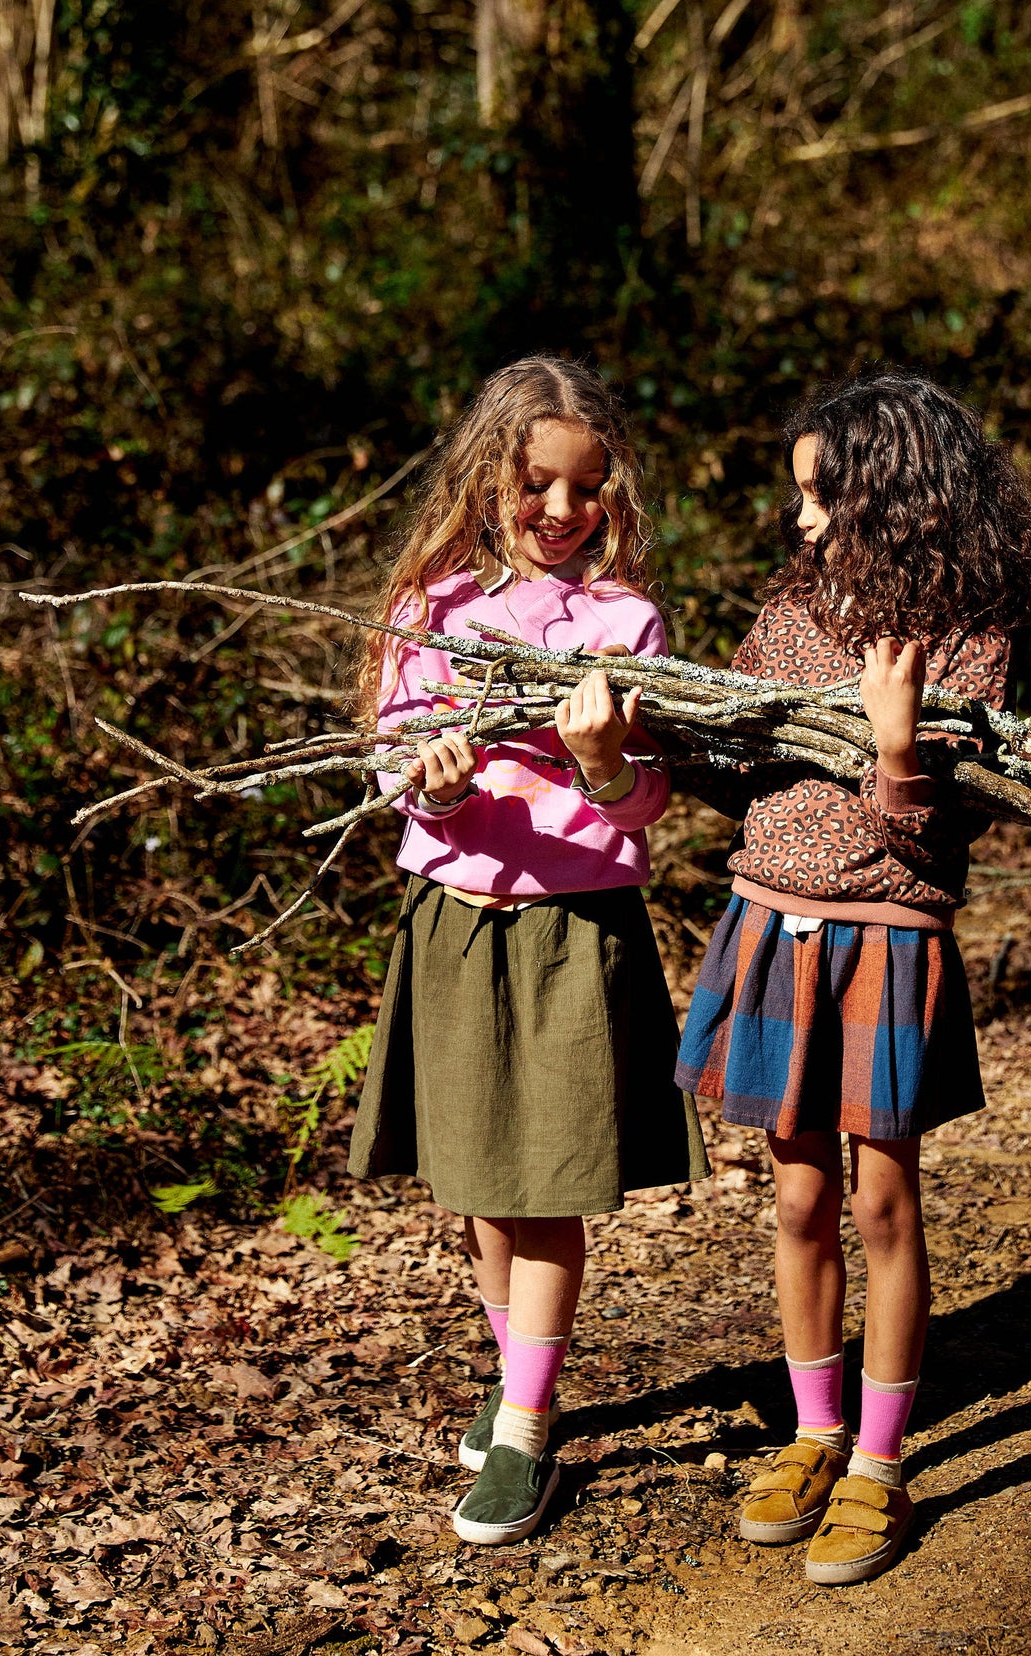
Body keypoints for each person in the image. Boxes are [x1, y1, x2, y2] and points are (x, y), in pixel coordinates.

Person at [675, 373, 1031, 1586]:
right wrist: (627, 745)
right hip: (769, 926)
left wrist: (895, 755)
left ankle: (880, 1463)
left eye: (818, 497)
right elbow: (739, 775)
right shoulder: (788, 615)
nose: (798, 522)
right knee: (794, 1200)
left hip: (884, 938)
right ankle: (814, 1433)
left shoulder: (965, 636)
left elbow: (940, 840)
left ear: (889, 496)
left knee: (884, 1204)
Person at [348, 355, 707, 1549]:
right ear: (487, 473)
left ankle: (524, 1421)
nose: (562, 510)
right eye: (537, 482)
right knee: (477, 1181)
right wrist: (436, 793)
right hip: (454, 917)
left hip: (572, 927)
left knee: (545, 1183)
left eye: (587, 487)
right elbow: (397, 764)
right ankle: (520, 1385)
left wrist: (605, 763)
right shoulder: (430, 606)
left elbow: (646, 800)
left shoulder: (625, 624)